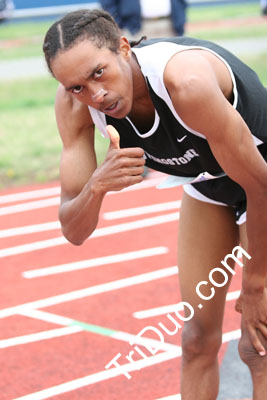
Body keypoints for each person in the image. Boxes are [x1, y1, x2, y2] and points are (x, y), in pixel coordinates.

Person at [43, 9, 267, 399]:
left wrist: (255, 285)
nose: (96, 95)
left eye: (99, 73)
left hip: (262, 179)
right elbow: (72, 230)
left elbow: (260, 185)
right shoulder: (76, 107)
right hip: (209, 185)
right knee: (196, 338)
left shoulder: (184, 82)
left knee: (259, 342)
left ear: (124, 48)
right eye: (76, 86)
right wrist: (96, 186)